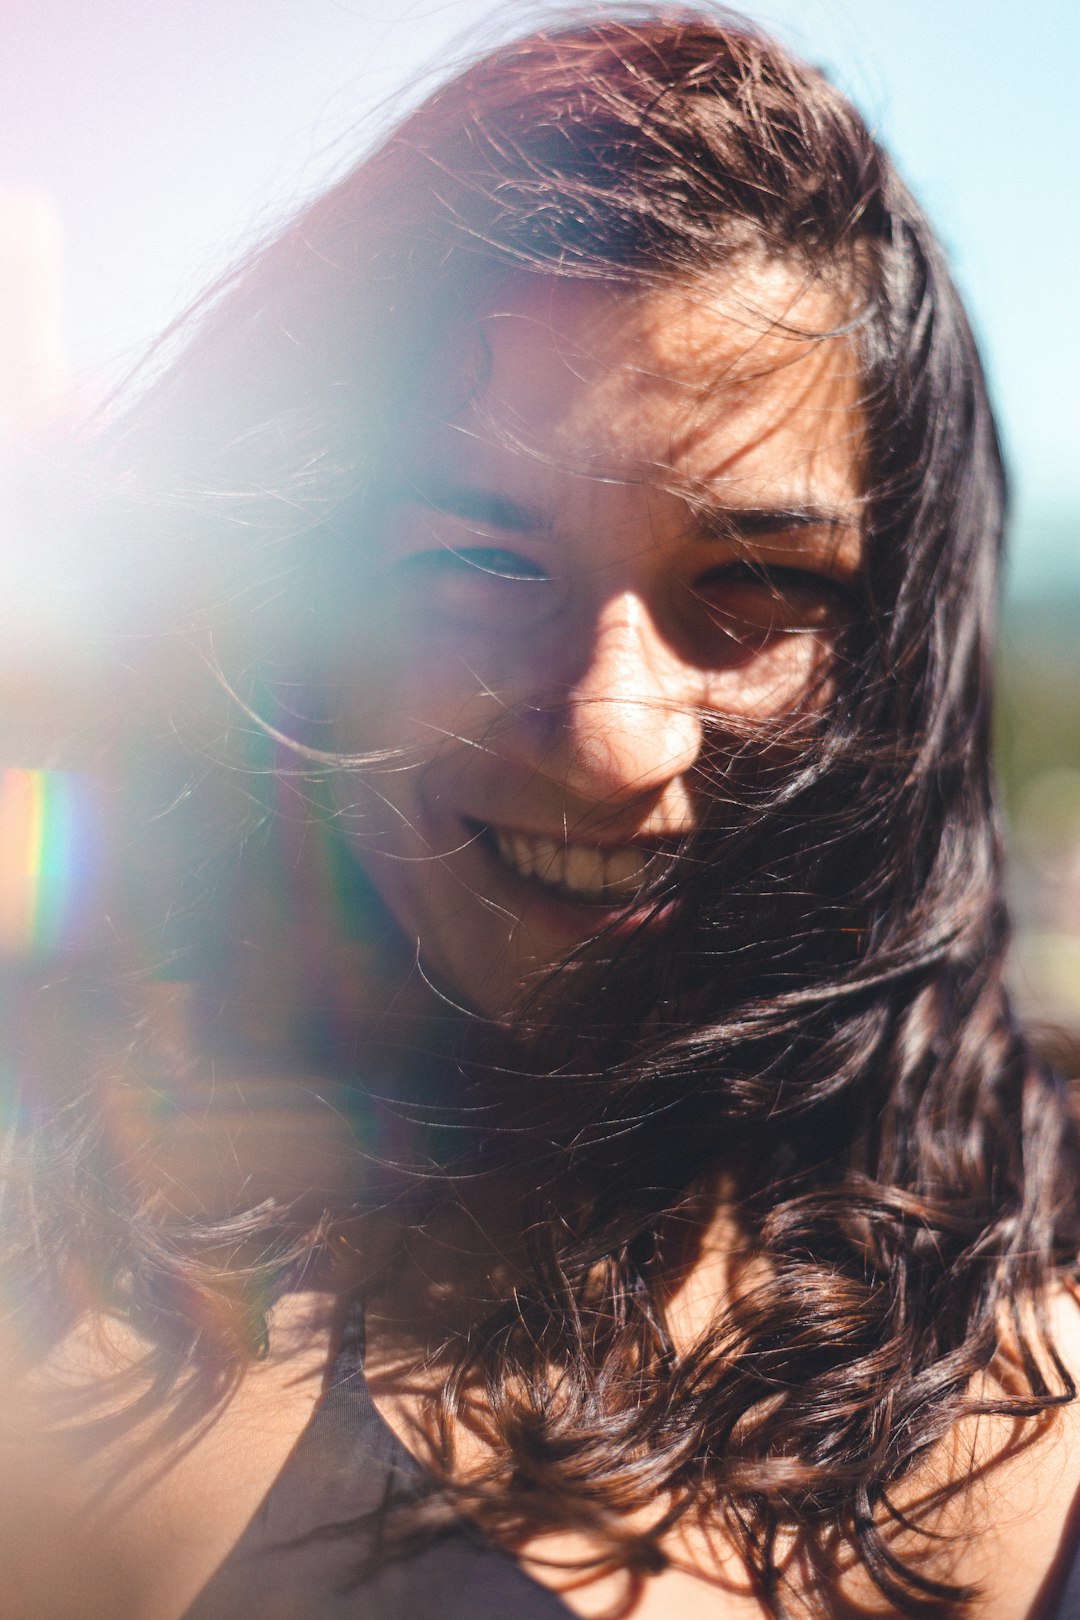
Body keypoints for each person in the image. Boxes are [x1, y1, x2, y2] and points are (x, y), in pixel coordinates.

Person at [3, 11, 1080, 1618]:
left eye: (757, 585)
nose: (607, 734)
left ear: (896, 653)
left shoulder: (1043, 1288)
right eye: (478, 563)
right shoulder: (66, 1358)